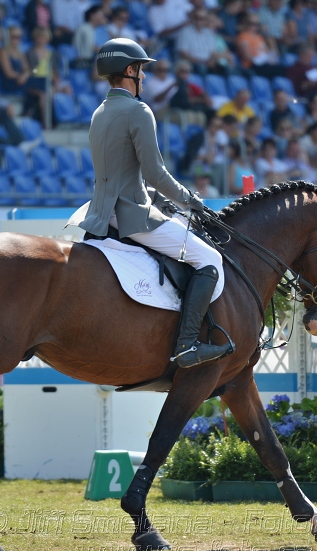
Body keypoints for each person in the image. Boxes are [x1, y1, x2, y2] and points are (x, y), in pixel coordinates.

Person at [79, 39, 233, 369]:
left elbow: (121, 171)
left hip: (100, 213)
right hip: (131, 214)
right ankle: (187, 344)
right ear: (130, 71)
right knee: (209, 258)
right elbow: (156, 172)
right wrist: (191, 201)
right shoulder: (138, 110)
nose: (145, 77)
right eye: (142, 70)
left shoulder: (100, 112)